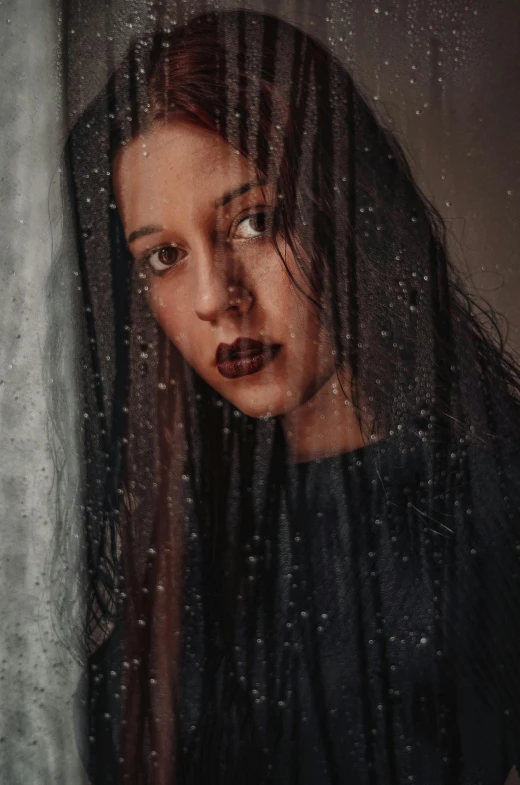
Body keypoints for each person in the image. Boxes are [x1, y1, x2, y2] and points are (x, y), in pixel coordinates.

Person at [58, 8, 520, 784]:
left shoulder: (491, 508)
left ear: (347, 208)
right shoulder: (182, 544)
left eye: (255, 221)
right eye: (163, 255)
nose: (215, 297)